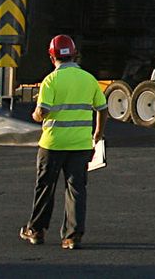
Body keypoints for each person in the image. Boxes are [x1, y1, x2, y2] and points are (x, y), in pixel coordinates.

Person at [21, 34, 106, 250]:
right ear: (74, 54)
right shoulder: (89, 79)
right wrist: (98, 133)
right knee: (76, 189)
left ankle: (36, 230)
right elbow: (102, 109)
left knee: (45, 187)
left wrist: (36, 116)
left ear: (52, 57)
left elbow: (43, 111)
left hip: (52, 145)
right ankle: (72, 236)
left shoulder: (51, 81)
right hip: (80, 145)